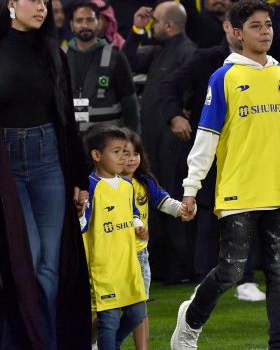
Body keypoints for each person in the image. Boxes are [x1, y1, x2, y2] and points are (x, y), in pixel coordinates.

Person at [170, 1, 280, 349]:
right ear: (236, 32)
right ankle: (190, 320)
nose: (264, 32)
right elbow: (207, 136)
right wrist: (192, 186)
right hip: (239, 190)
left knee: (279, 273)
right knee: (231, 271)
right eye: (255, 26)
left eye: (267, 25)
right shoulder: (224, 77)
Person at [0, 0, 90, 349]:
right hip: (6, 165)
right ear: (11, 5)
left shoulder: (54, 54)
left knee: (51, 265)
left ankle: (45, 342)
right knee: (26, 258)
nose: (41, 7)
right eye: (32, 0)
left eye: (45, 2)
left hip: (50, 158)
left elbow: (68, 122)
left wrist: (79, 178)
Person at [158, 13, 267, 299]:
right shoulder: (206, 58)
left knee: (248, 212)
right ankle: (206, 278)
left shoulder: (266, 62)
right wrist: (174, 116)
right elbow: (169, 85)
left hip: (249, 150)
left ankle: (246, 280)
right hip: (211, 150)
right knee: (207, 216)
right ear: (228, 28)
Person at [123, 1, 197, 284]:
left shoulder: (187, 52)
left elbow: (192, 91)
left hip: (174, 142)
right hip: (154, 140)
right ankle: (166, 267)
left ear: (168, 25)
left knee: (172, 197)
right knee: (158, 198)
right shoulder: (161, 50)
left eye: (154, 21)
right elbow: (127, 61)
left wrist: (180, 114)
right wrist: (136, 29)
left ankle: (183, 268)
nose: (151, 25)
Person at [120, 128, 192, 349]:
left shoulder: (143, 182)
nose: (131, 159)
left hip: (139, 254)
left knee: (139, 308)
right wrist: (135, 224)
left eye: (135, 153)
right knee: (110, 310)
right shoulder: (102, 184)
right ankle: (93, 340)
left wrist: (182, 209)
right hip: (112, 255)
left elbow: (164, 201)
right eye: (123, 153)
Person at [78, 125, 149, 350]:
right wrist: (80, 214)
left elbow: (133, 213)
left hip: (128, 265)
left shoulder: (127, 186)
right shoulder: (90, 187)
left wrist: (138, 226)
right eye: (117, 152)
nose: (124, 158)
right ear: (97, 156)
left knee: (137, 313)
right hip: (103, 267)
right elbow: (82, 226)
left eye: (126, 152)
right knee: (109, 320)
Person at [66, 2, 139, 134]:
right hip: (72, 139)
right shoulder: (62, 57)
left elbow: (130, 105)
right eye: (79, 20)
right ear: (71, 25)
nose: (84, 25)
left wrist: (134, 141)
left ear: (98, 23)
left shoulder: (116, 57)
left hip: (108, 139)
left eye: (90, 19)